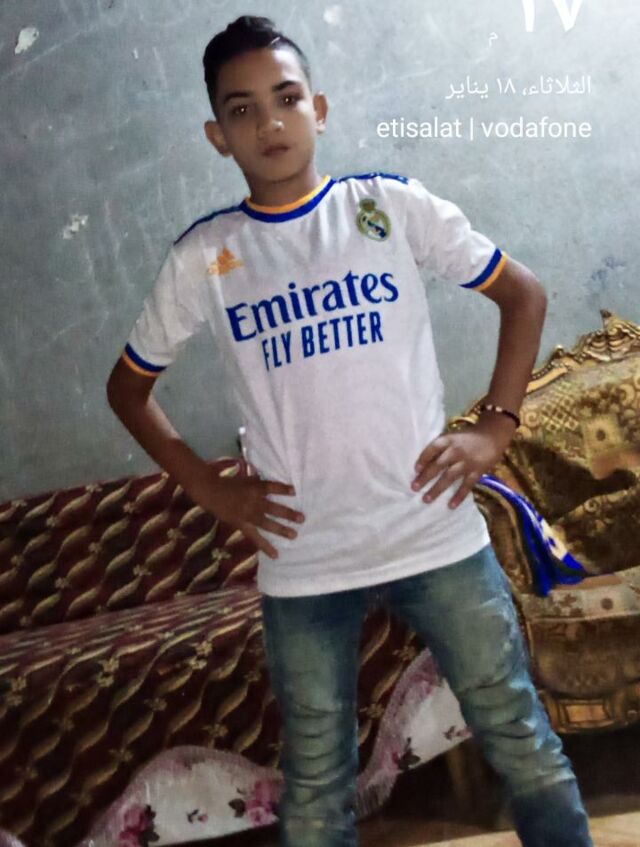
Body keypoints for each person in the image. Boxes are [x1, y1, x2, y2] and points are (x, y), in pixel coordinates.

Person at [106, 15, 593, 847]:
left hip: (433, 532)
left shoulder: (389, 208)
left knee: (518, 733)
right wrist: (207, 486)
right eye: (243, 109)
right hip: (306, 559)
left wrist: (495, 427)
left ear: (319, 108)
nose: (270, 122)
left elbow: (525, 294)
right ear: (217, 135)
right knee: (318, 783)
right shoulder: (206, 257)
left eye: (286, 98)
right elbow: (127, 388)